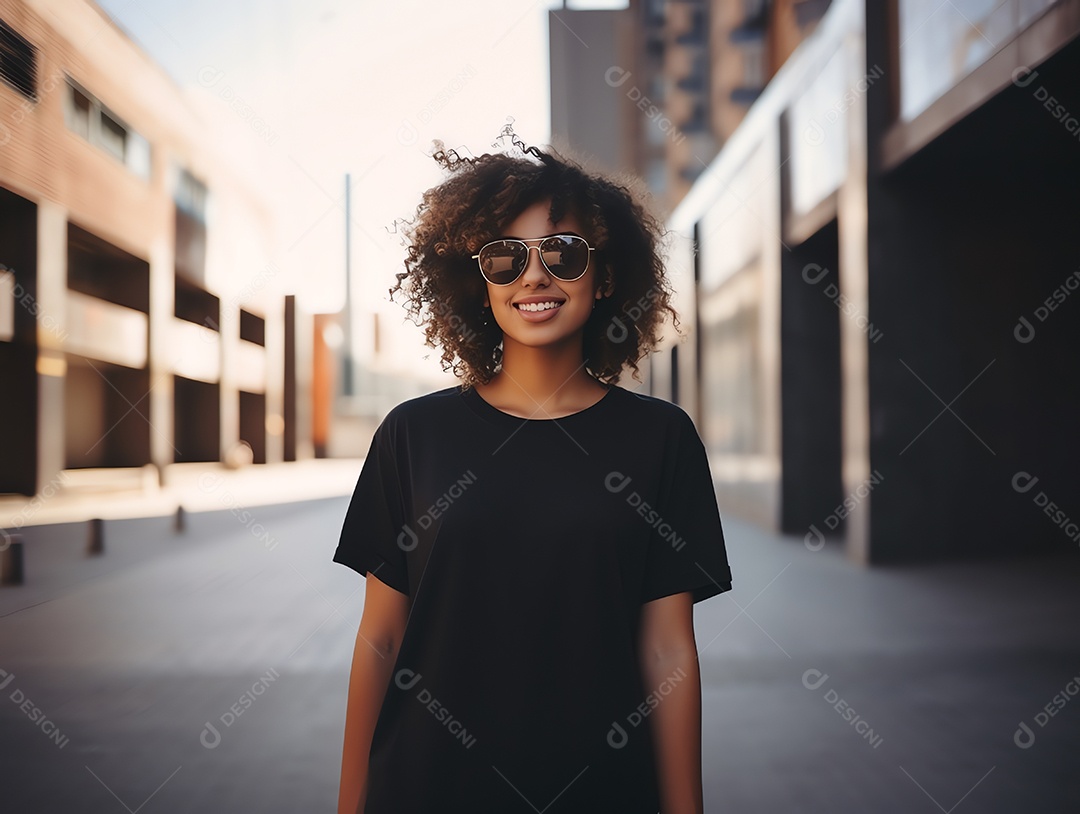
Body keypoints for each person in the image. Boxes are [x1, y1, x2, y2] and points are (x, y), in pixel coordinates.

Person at [334, 131, 733, 814]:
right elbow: (380, 637)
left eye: (563, 253)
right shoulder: (412, 434)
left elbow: (668, 652)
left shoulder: (661, 439)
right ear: (479, 282)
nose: (534, 276)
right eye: (505, 258)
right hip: (425, 790)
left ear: (605, 277)